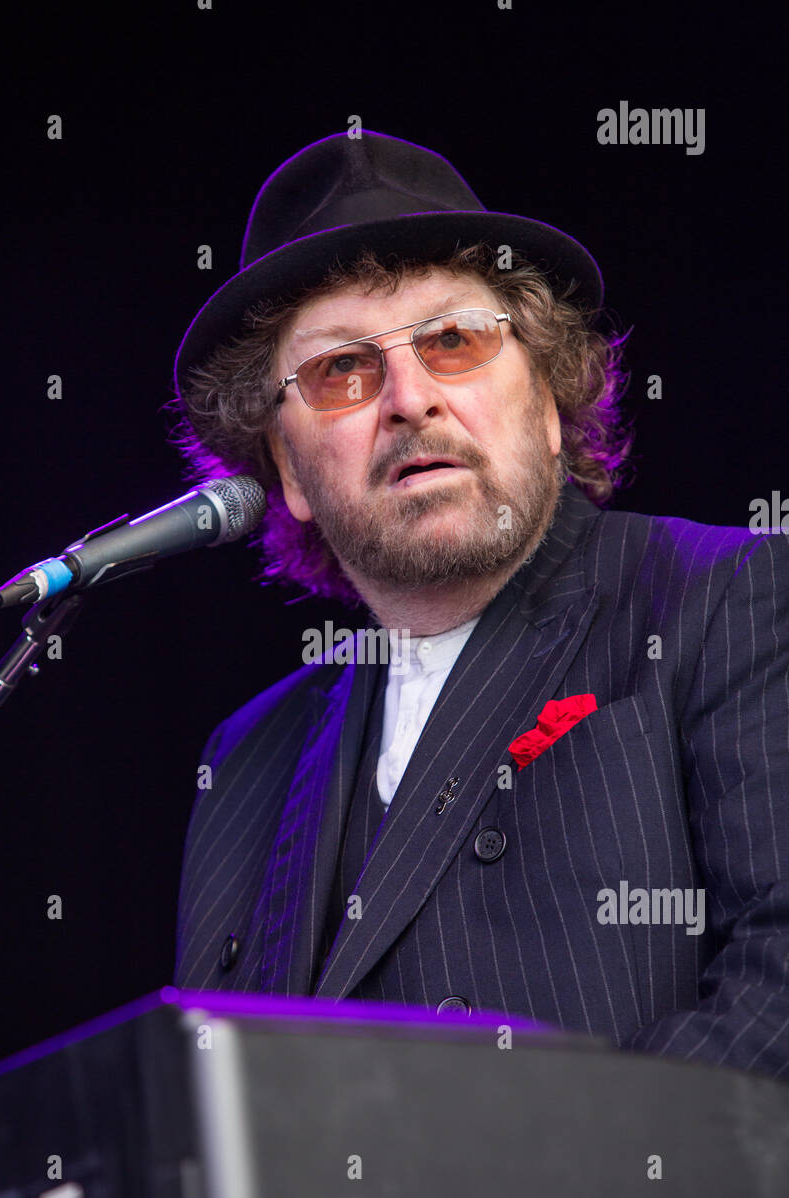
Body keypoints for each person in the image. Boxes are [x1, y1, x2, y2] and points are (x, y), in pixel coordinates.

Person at [170, 130, 788, 1079]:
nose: (409, 399)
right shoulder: (246, 756)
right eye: (342, 369)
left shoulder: (730, 596)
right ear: (287, 468)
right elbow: (214, 1102)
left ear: (546, 400)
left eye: (453, 340)